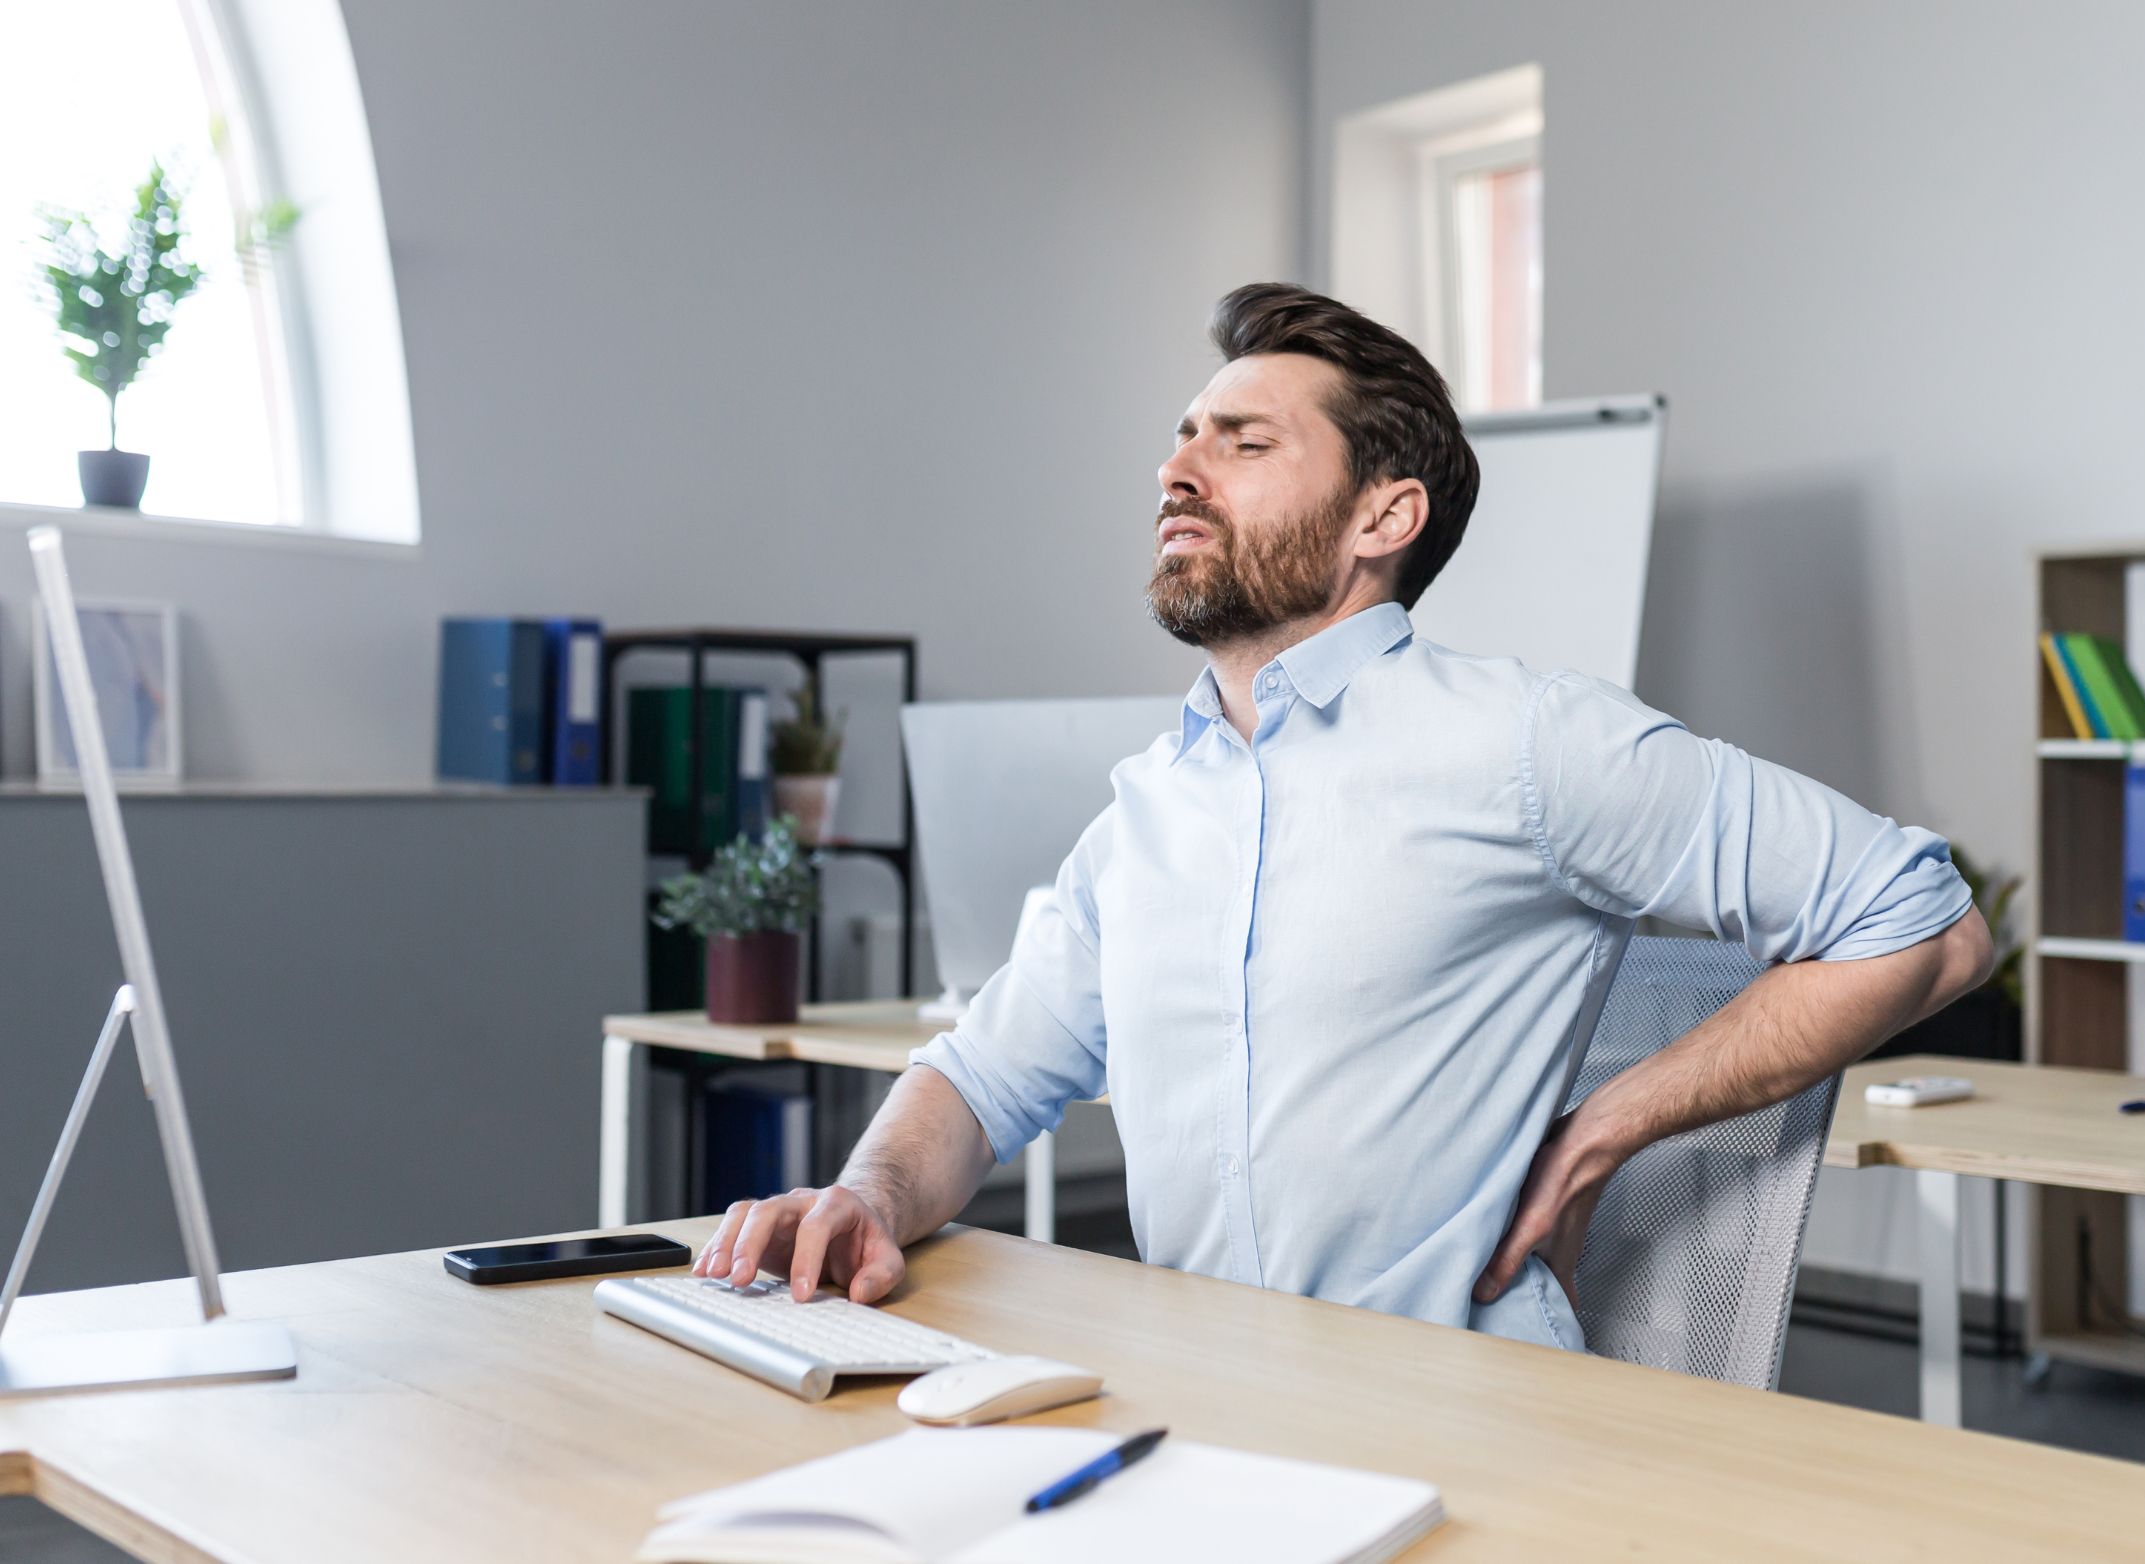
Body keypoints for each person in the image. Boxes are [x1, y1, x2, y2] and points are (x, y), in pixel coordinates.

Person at [698, 282, 1991, 1349]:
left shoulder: (1527, 742)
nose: (1177, 469)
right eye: (1184, 437)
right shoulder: (1147, 813)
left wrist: (1611, 1122)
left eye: (1242, 443)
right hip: (1202, 1416)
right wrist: (869, 1192)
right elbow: (979, 1079)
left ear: (1386, 515)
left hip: (1458, 1426)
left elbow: (1924, 922)